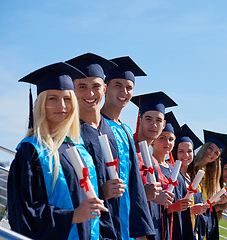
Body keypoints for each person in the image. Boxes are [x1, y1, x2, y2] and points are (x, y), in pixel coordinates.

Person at [7, 62, 108, 240]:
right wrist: (73, 216)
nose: (62, 105)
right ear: (41, 105)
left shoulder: (78, 148)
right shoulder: (31, 151)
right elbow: (22, 213)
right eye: (52, 98)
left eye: (67, 98)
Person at [67, 54, 154, 240]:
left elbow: (135, 183)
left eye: (129, 87)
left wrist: (142, 231)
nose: (124, 91)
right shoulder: (78, 131)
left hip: (124, 225)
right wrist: (101, 191)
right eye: (118, 85)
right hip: (99, 225)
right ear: (107, 89)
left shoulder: (124, 130)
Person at [131, 91, 177, 240]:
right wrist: (144, 195)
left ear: (163, 124)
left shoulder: (154, 161)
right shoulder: (129, 151)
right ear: (140, 119)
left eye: (158, 120)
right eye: (148, 119)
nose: (153, 124)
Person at [151, 111, 194, 240]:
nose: (167, 142)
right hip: (158, 230)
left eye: (171, 139)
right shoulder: (148, 166)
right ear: (153, 141)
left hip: (176, 230)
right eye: (162, 138)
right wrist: (171, 208)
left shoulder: (174, 170)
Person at [188, 130, 227, 240]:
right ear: (205, 147)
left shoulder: (210, 177)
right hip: (188, 220)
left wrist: (220, 202)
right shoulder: (189, 166)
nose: (212, 153)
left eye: (216, 153)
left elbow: (207, 205)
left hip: (203, 225)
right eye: (210, 148)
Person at [172, 123, 208, 240]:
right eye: (181, 151)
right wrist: (191, 210)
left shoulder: (193, 178)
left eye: (189, 151)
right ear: (174, 152)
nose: (186, 155)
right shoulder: (172, 176)